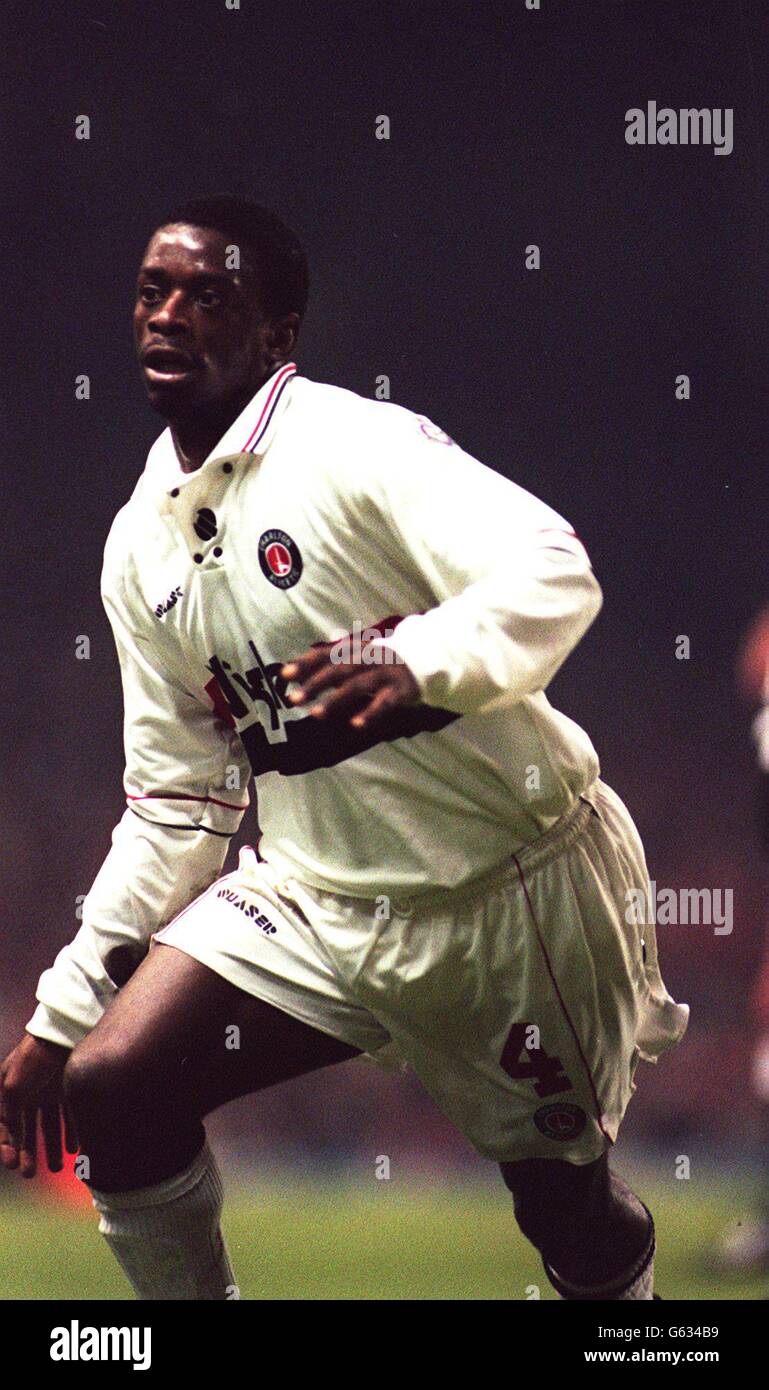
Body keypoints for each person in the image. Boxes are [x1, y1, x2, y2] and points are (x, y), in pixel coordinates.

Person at [0, 195, 688, 1301]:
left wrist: (421, 658)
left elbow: (556, 569)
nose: (167, 315)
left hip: (509, 893)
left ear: (277, 336)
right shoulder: (140, 546)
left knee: (571, 1220)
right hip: (317, 900)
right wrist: (59, 1015)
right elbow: (180, 804)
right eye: (151, 291)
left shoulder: (359, 448)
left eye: (207, 296)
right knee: (116, 1081)